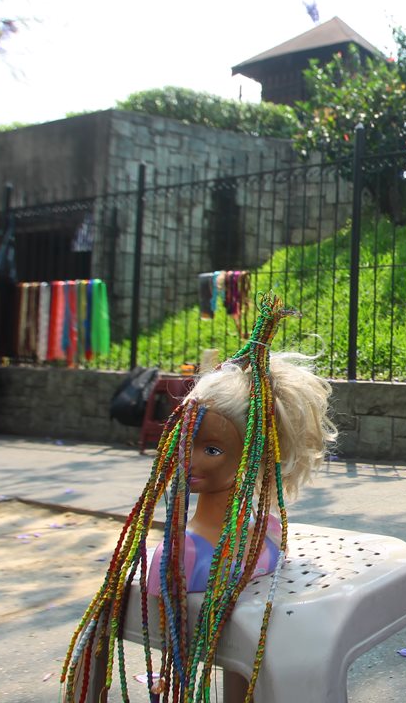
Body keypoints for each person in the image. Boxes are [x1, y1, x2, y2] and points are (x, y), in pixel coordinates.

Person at [61, 297, 336, 703]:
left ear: (252, 454)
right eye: (186, 440)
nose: (189, 458)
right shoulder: (269, 532)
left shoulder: (181, 556)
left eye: (211, 449)